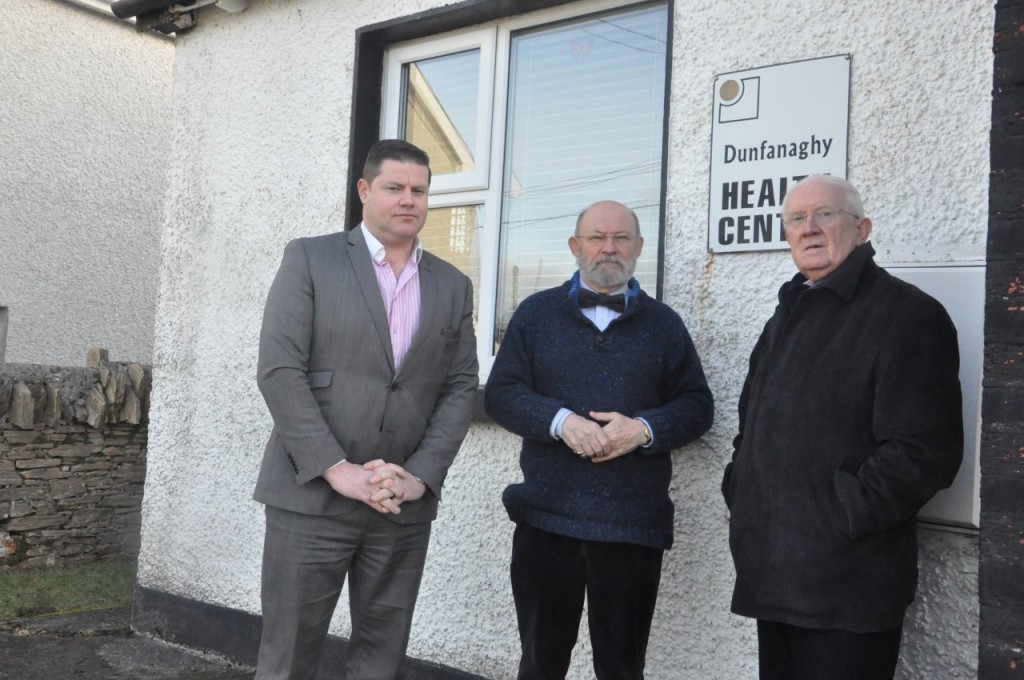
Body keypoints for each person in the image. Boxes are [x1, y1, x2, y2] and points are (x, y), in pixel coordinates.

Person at [721, 175, 963, 680]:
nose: (809, 229)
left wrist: (839, 515)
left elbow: (924, 452)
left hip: (849, 587)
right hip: (774, 576)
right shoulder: (785, 315)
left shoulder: (908, 314)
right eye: (795, 219)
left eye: (826, 214)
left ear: (862, 229)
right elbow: (752, 429)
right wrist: (742, 491)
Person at [253, 139, 478, 680]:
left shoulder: (452, 284)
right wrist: (338, 470)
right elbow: (280, 371)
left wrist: (420, 478)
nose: (409, 200)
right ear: (364, 190)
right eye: (394, 188)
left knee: (382, 659)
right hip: (311, 496)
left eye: (419, 190)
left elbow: (460, 387)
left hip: (399, 504)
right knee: (288, 658)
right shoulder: (311, 257)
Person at [484, 200, 714, 679]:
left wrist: (644, 430)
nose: (609, 248)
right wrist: (561, 421)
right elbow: (502, 395)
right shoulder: (535, 314)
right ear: (575, 246)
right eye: (596, 237)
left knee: (622, 669)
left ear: (639, 247)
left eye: (621, 238)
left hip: (632, 528)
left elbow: (697, 406)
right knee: (540, 665)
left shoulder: (665, 325)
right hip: (547, 522)